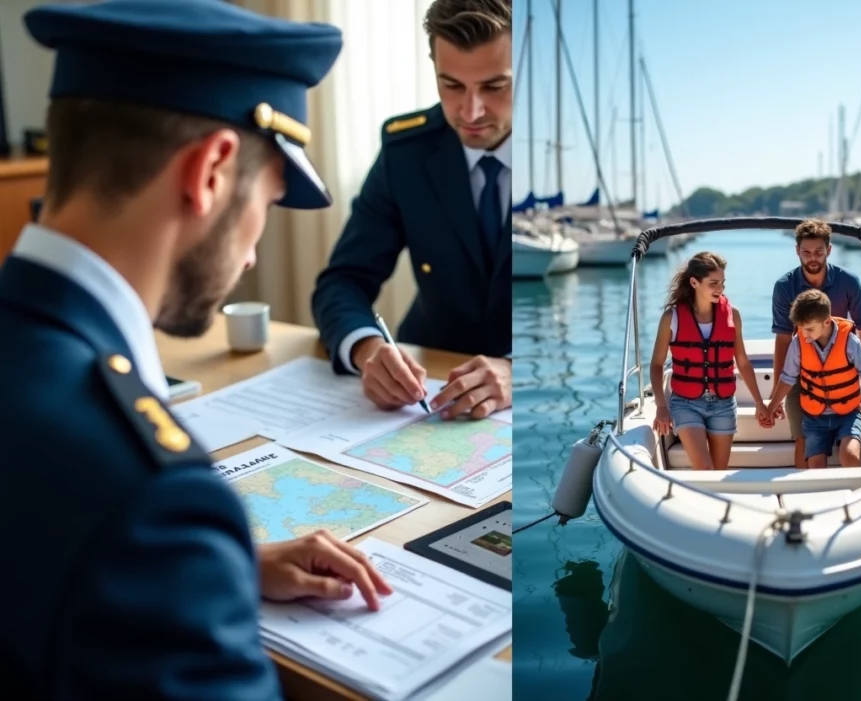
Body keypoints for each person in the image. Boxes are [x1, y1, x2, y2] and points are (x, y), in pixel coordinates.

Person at [0, 1, 392, 698]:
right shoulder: (156, 501)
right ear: (211, 171)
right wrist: (186, 557)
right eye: (268, 202)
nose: (250, 257)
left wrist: (228, 562)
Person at [311, 0, 512, 422]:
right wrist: (367, 350)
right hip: (425, 400)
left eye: (495, 87)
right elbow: (343, 281)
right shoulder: (406, 151)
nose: (471, 112)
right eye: (452, 86)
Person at [770, 218, 861, 468]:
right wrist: (778, 396)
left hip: (845, 371)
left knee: (849, 447)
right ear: (797, 251)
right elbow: (784, 339)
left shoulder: (848, 282)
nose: (813, 258)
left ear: (829, 250)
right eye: (806, 252)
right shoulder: (784, 287)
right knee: (802, 441)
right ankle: (804, 495)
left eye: (819, 252)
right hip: (802, 370)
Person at [650, 252, 771, 471]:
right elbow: (657, 365)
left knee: (718, 471)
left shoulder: (732, 315)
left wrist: (759, 403)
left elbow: (742, 362)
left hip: (723, 404)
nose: (720, 289)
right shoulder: (672, 317)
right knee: (705, 470)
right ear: (694, 282)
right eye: (713, 283)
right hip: (686, 404)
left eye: (722, 283)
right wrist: (661, 406)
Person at [765, 290, 861, 468]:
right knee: (815, 464)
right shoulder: (798, 343)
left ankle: (855, 491)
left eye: (809, 329)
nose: (804, 334)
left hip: (848, 414)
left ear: (826, 321)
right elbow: (787, 378)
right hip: (814, 418)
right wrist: (772, 406)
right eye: (801, 328)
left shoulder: (850, 341)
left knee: (850, 454)